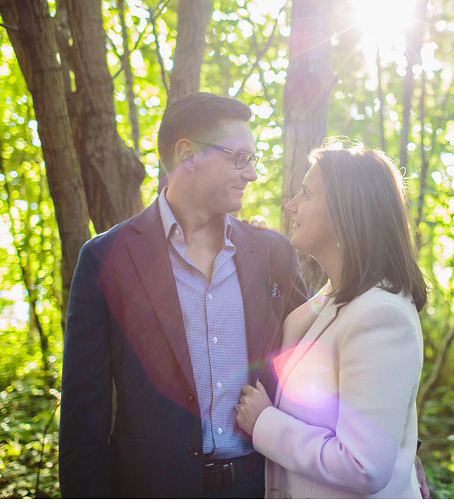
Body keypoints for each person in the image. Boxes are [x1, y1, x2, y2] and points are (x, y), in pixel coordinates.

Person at [59, 92, 308, 497]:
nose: (252, 175)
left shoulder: (272, 254)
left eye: (253, 160)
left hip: (260, 486)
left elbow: (318, 360)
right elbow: (83, 419)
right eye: (239, 159)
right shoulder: (106, 259)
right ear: (187, 154)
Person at [235, 144, 427, 498]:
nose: (290, 205)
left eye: (305, 194)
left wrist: (265, 423)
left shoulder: (380, 317)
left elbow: (363, 466)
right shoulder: (344, 299)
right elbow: (291, 334)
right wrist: (254, 249)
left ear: (343, 213)